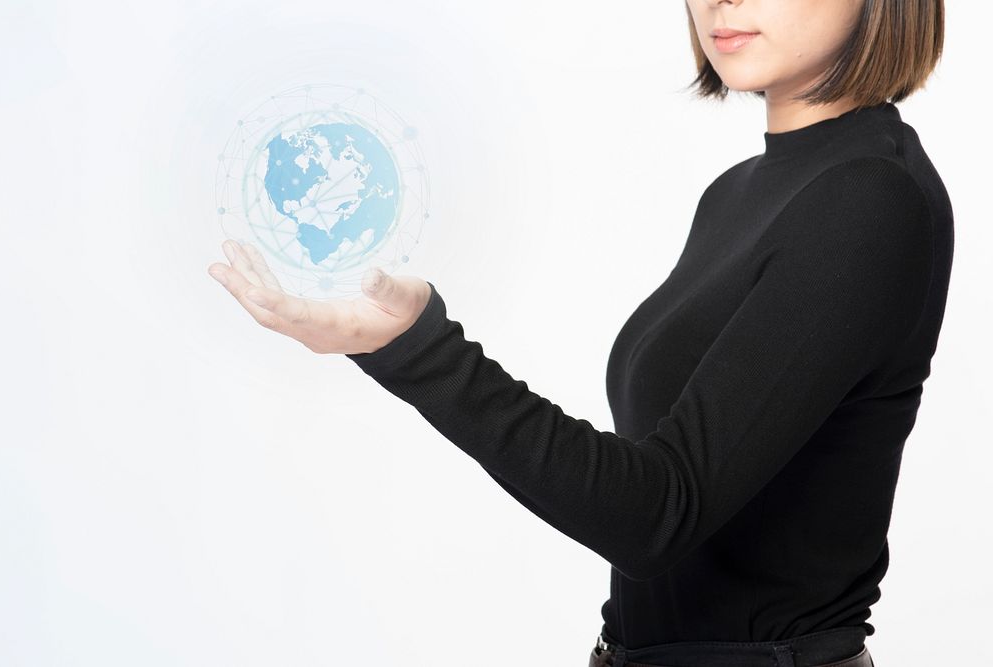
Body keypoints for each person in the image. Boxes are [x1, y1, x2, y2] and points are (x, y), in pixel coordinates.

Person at [206, 1, 952, 665]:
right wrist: (396, 340)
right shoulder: (741, 193)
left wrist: (420, 348)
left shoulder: (869, 199)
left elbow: (657, 514)